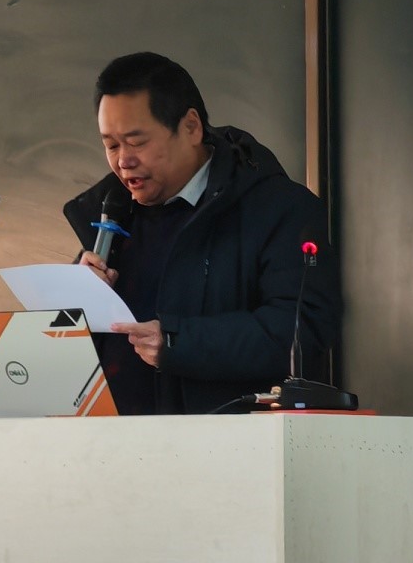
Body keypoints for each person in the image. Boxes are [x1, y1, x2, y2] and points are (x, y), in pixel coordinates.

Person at [63, 52, 341, 414]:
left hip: (228, 442)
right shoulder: (109, 216)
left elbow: (301, 330)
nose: (123, 161)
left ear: (191, 127)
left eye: (137, 142)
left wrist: (177, 343)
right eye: (111, 145)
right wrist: (74, 302)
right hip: (104, 443)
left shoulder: (278, 210)